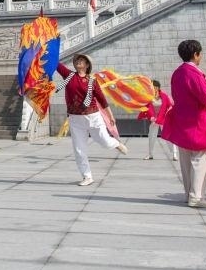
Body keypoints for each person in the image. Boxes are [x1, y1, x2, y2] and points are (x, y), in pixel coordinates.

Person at [161, 39, 206, 208]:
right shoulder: (194, 73)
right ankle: (196, 197)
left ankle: (189, 194)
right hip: (198, 122)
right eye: (200, 54)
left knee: (185, 160)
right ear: (196, 54)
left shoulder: (177, 73)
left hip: (182, 120)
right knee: (200, 159)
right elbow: (205, 98)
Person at [56, 53, 127, 186]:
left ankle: (115, 144)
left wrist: (110, 116)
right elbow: (56, 64)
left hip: (93, 117)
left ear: (87, 65)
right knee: (79, 149)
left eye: (82, 60)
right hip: (75, 119)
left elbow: (102, 99)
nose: (79, 62)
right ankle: (87, 176)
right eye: (77, 60)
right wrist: (46, 50)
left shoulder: (92, 81)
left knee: (105, 141)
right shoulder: (69, 75)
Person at [138, 80, 177, 160]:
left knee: (169, 136)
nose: (151, 88)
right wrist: (150, 117)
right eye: (151, 87)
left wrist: (168, 114)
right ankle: (150, 154)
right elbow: (146, 108)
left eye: (153, 87)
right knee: (151, 137)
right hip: (154, 120)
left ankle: (174, 154)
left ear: (157, 87)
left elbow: (170, 106)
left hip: (163, 119)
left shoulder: (164, 96)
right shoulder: (149, 97)